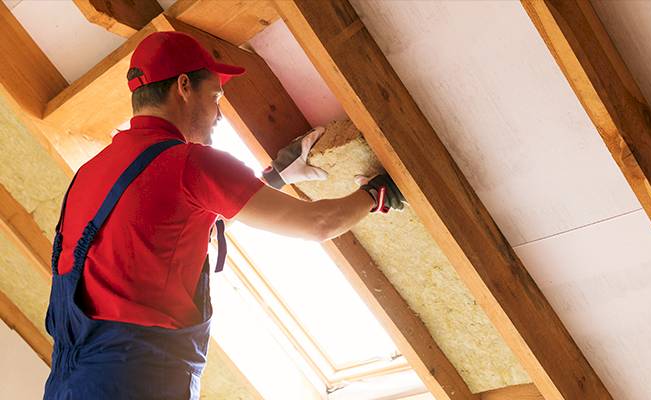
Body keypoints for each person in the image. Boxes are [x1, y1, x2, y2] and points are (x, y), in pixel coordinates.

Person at [43, 31, 404, 400]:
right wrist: (377, 194)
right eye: (215, 96)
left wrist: (274, 179)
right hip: (138, 383)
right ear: (184, 86)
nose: (218, 114)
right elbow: (318, 224)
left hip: (68, 384)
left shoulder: (92, 171)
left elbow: (179, 229)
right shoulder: (190, 163)